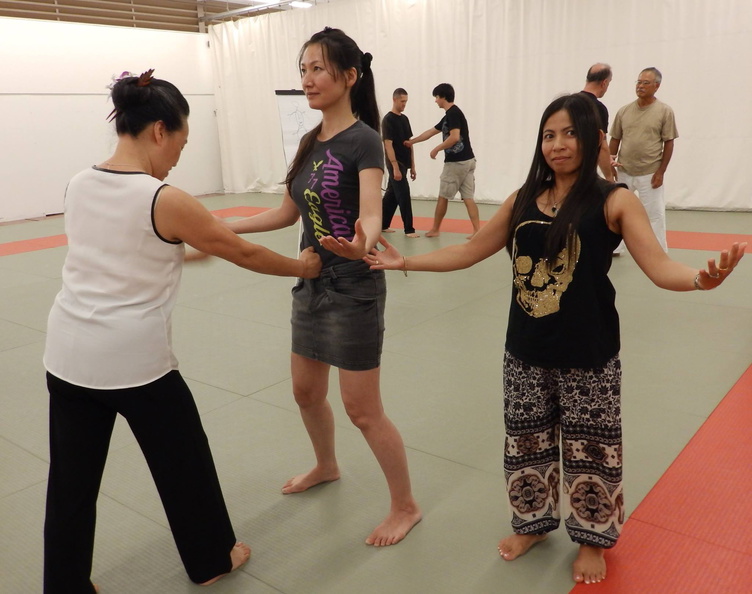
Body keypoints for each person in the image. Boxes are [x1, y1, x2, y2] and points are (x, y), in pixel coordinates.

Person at [365, 93, 745, 584]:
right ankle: (533, 523)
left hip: (590, 353)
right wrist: (406, 262)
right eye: (549, 134)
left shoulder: (615, 199)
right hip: (525, 350)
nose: (558, 144)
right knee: (526, 444)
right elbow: (471, 250)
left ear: (591, 139)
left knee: (592, 449)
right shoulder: (523, 197)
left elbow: (658, 265)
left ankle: (591, 539)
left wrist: (699, 279)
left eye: (569, 133)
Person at [42, 70, 321, 593]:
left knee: (70, 485)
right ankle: (213, 557)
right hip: (135, 364)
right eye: (181, 143)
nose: (178, 156)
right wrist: (303, 267)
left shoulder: (78, 183)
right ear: (158, 131)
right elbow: (240, 250)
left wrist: (174, 257)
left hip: (66, 357)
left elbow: (115, 251)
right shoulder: (161, 196)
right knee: (184, 463)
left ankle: (65, 585)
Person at [224, 27, 422, 547]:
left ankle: (405, 505)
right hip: (309, 281)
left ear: (350, 76)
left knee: (362, 409)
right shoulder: (311, 141)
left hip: (354, 285)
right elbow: (286, 212)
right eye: (304, 70)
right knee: (305, 391)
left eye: (318, 69)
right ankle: (326, 464)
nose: (308, 80)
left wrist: (364, 244)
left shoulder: (364, 140)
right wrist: (220, 228)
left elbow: (374, 212)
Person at [610, 67, 678, 252]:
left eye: (645, 83)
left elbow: (669, 143)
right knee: (618, 211)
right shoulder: (624, 111)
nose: (640, 86)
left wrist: (661, 172)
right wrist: (610, 162)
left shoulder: (664, 111)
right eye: (638, 82)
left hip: (650, 173)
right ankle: (615, 248)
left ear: (657, 86)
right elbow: (615, 138)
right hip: (624, 170)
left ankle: (658, 250)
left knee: (654, 214)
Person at [405, 83, 480, 238]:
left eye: (436, 97)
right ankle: (478, 231)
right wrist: (412, 141)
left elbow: (454, 137)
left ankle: (435, 229)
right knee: (468, 197)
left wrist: (436, 149)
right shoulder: (449, 115)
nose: (435, 101)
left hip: (456, 162)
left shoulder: (453, 113)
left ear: (443, 97)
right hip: (468, 161)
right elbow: (431, 132)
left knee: (443, 196)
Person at [381, 88, 419, 238]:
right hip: (395, 164)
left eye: (406, 102)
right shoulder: (388, 120)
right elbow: (388, 144)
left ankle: (382, 224)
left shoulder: (404, 119)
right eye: (402, 101)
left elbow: (409, 143)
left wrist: (413, 166)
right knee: (403, 195)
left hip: (404, 163)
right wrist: (395, 167)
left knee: (392, 196)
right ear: (394, 100)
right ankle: (409, 229)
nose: (404, 104)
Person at [579, 63, 615, 181]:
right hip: (583, 172)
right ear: (604, 83)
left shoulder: (567, 103)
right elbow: (601, 147)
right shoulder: (597, 108)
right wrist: (609, 177)